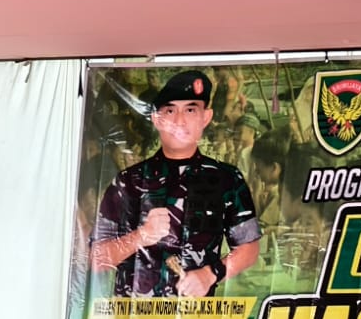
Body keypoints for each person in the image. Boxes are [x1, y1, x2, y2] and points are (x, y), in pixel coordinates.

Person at [90, 71, 263, 297]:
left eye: (190, 110)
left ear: (206, 117)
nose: (179, 121)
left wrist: (210, 274)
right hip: (135, 316)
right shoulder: (128, 182)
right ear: (156, 119)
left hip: (197, 314)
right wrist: (141, 236)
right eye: (170, 111)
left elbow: (249, 248)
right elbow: (96, 259)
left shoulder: (226, 179)